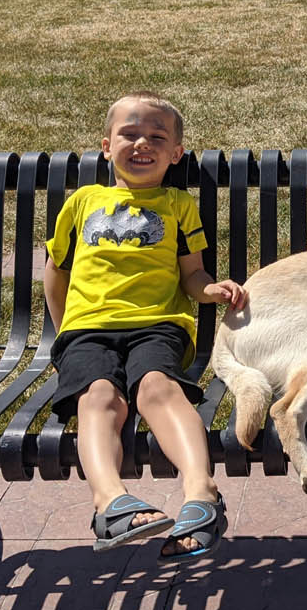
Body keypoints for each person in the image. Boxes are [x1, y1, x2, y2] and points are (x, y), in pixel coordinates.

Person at [43, 91, 246, 562]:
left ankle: (202, 494)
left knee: (158, 388)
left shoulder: (178, 204)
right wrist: (64, 332)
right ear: (105, 145)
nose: (141, 144)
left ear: (176, 154)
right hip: (87, 329)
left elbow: (191, 273)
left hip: (159, 325)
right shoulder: (83, 202)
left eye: (157, 136)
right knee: (98, 396)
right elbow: (56, 270)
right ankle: (110, 503)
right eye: (129, 134)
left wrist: (210, 290)